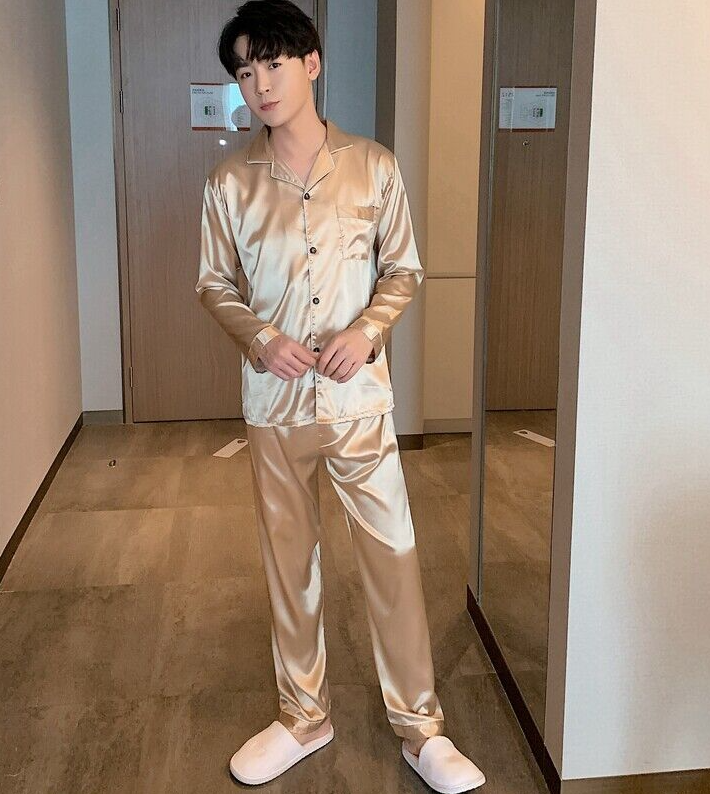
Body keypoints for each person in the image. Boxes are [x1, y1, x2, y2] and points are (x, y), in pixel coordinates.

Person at [195, 1, 486, 790]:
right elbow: (214, 283)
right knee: (289, 564)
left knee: (391, 555)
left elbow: (403, 269)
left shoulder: (374, 167)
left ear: (311, 63)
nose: (260, 83)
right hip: (275, 405)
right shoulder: (228, 183)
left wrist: (369, 330)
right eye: (245, 71)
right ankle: (303, 717)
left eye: (273, 63)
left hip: (358, 404)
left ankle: (420, 729)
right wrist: (260, 337)